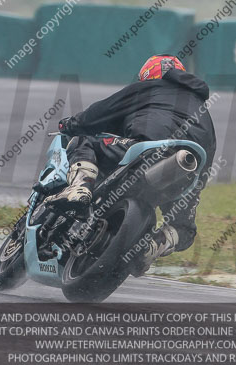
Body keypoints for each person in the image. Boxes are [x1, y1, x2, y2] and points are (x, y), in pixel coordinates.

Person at [44, 54, 217, 270]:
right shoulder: (204, 113)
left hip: (148, 150)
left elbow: (101, 112)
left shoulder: (150, 87)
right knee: (185, 229)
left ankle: (80, 187)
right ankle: (152, 246)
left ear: (148, 74)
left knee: (85, 141)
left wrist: (71, 124)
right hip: (187, 172)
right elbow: (208, 161)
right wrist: (193, 191)